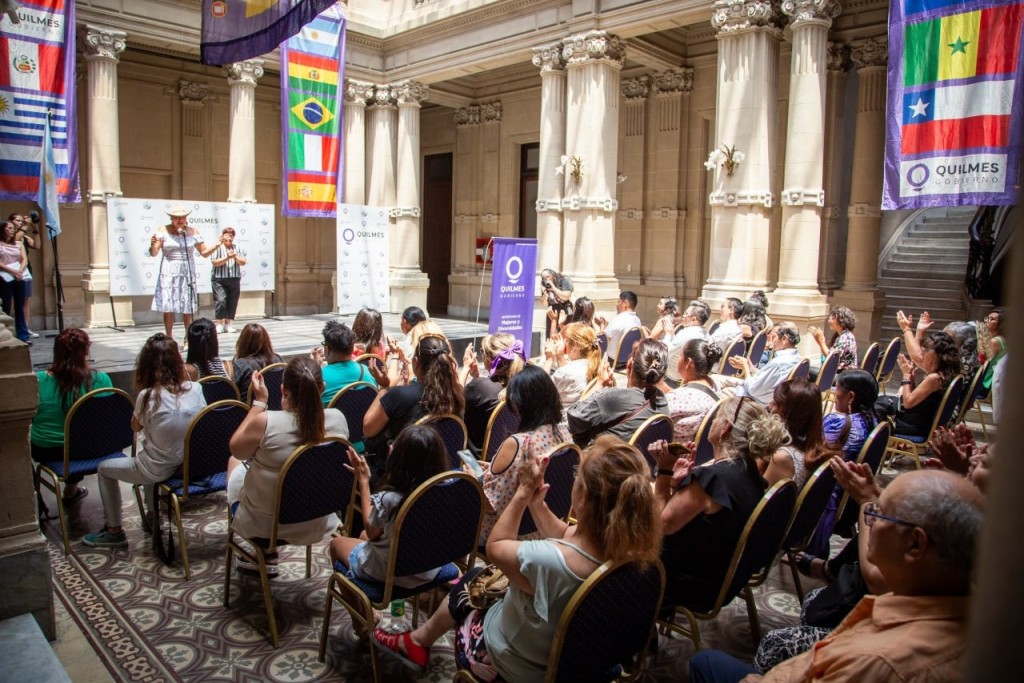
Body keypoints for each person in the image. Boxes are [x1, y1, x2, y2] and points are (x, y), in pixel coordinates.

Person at [372, 435, 662, 679]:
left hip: (518, 666)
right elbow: (568, 538)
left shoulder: (546, 561)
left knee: (471, 584)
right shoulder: (631, 551)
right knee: (479, 579)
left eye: (577, 477)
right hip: (587, 667)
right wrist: (537, 505)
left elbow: (497, 547)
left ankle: (418, 641)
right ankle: (418, 640)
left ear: (583, 497)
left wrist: (522, 493)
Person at [690, 468, 983, 683]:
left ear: (916, 544)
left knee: (705, 662)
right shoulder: (966, 607)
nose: (870, 519)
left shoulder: (876, 662)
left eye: (878, 513)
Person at [651, 396, 786, 612]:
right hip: (717, 577)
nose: (711, 421)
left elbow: (660, 527)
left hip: (681, 582)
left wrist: (664, 471)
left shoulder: (712, 480)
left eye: (716, 418)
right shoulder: (749, 472)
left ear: (724, 429)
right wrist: (678, 485)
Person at [225, 357, 349, 573]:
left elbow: (235, 448)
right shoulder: (338, 419)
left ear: (283, 390)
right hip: (318, 518)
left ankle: (266, 551)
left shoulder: (266, 422)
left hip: (267, 527)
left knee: (235, 462)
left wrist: (259, 403)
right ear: (322, 388)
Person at [83, 334, 207, 547]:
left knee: (105, 469)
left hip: (159, 467)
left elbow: (135, 426)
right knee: (155, 452)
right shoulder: (196, 389)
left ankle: (114, 530)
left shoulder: (148, 395)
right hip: (191, 466)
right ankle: (151, 516)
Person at [329, 424, 449, 585]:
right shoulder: (444, 490)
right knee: (362, 536)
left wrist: (363, 481)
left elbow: (372, 531)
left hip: (393, 572)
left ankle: (361, 610)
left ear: (399, 458)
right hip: (428, 569)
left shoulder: (391, 499)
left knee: (336, 544)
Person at [475, 365, 570, 544]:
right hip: (549, 526)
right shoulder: (565, 435)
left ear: (520, 405)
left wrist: (473, 481)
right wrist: (495, 471)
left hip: (508, 535)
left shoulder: (517, 444)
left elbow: (491, 505)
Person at [31, 328, 114, 503]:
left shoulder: (37, 381)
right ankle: (72, 489)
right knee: (80, 437)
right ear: (86, 351)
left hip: (50, 450)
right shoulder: (101, 380)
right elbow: (107, 422)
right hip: (94, 449)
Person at [364, 334, 463, 462]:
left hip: (403, 474)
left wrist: (385, 387)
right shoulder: (457, 394)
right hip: (442, 468)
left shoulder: (399, 395)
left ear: (415, 362)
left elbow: (368, 429)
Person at [567, 338, 670, 446]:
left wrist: (599, 384)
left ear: (629, 364)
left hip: (606, 460)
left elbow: (573, 420)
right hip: (638, 460)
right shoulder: (661, 399)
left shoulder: (609, 399)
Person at [876, 331, 959, 438]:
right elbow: (918, 399)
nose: (922, 354)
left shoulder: (934, 378)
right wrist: (911, 378)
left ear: (938, 354)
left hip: (911, 425)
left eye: (925, 351)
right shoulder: (944, 374)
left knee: (875, 408)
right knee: (880, 401)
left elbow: (908, 403)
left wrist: (906, 375)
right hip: (918, 420)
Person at [149, 205, 215, 340]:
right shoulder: (162, 230)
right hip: (168, 271)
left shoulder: (193, 231)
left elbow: (204, 253)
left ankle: (188, 338)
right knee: (169, 306)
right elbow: (154, 252)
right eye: (177, 218)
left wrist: (217, 245)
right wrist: (152, 245)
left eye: (183, 217)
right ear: (171, 218)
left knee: (187, 306)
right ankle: (169, 337)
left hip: (187, 272)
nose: (180, 220)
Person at [460, 333, 525, 451]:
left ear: (489, 360)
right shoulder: (522, 386)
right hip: (509, 455)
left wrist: (465, 368)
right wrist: (477, 377)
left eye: (482, 352)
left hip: (479, 461)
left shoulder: (479, 387)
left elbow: (454, 401)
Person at [765, 378, 828, 487]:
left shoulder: (782, 458)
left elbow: (756, 500)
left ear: (789, 414)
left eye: (775, 403)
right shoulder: (816, 447)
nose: (769, 405)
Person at [724, 321, 803, 405]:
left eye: (774, 337)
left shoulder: (778, 363)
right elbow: (771, 378)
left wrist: (746, 368)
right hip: (765, 394)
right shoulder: (797, 358)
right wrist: (752, 368)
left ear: (784, 338)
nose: (772, 342)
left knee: (721, 391)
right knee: (717, 379)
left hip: (756, 400)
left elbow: (752, 389)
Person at [665, 338, 723, 443]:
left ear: (689, 363)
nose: (678, 359)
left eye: (680, 356)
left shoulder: (677, 398)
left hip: (674, 454)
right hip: (697, 451)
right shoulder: (714, 385)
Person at [313, 320, 378, 406]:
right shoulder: (367, 371)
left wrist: (315, 369)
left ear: (327, 349)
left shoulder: (318, 378)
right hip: (363, 419)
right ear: (352, 349)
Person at [542, 322, 603, 408]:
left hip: (562, 418)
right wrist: (560, 356)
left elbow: (539, 390)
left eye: (566, 341)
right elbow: (566, 380)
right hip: (582, 414)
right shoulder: (596, 364)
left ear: (574, 345)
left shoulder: (567, 372)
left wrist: (549, 359)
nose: (564, 344)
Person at [230, 323, 283, 401]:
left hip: (249, 409)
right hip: (276, 406)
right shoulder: (278, 359)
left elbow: (232, 391)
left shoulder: (241, 365)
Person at [208, 226, 246, 334]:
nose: (229, 238)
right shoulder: (217, 247)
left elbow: (243, 262)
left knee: (232, 301)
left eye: (231, 236)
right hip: (219, 279)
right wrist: (227, 258)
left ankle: (228, 324)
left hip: (234, 278)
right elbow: (215, 262)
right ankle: (219, 323)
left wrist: (235, 257)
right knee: (221, 300)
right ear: (222, 236)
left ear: (233, 237)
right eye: (226, 235)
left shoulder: (237, 247)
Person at [666, 301, 713, 384]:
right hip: (694, 376)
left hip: (674, 377)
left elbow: (665, 352)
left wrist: (668, 334)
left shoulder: (686, 334)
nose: (683, 316)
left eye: (686, 313)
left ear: (693, 319)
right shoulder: (707, 335)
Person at [0, 219, 31, 343]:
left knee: (20, 306)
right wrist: (11, 271)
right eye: (9, 228)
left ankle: (23, 335)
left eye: (13, 228)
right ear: (3, 229)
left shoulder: (19, 244)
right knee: (6, 305)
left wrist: (20, 271)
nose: (12, 230)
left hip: (19, 276)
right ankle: (7, 333)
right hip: (4, 277)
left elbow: (24, 259)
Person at [12, 212, 41, 338]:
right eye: (17, 220)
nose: (20, 222)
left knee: (25, 301)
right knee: (12, 301)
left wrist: (35, 229)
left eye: (21, 220)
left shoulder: (24, 236)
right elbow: (15, 239)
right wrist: (25, 225)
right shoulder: (10, 235)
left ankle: (25, 327)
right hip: (11, 270)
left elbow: (37, 245)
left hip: (25, 270)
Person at [596, 290, 642, 365]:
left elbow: (603, 341)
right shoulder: (637, 320)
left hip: (613, 361)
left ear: (625, 303)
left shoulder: (618, 319)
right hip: (628, 360)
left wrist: (602, 327)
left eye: (618, 301)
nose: (616, 305)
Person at [808, 306, 858, 373]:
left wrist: (821, 341)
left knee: (807, 370)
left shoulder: (845, 337)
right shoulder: (842, 335)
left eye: (833, 318)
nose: (829, 320)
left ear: (842, 321)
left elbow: (831, 358)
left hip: (843, 375)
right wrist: (820, 342)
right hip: (839, 372)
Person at [978, 308, 1005, 396]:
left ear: (1001, 324)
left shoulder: (995, 341)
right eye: (987, 318)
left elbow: (981, 363)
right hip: (990, 382)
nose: (987, 321)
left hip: (984, 384)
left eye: (992, 319)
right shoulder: (1002, 339)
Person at [540, 268, 574, 338]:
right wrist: (545, 294)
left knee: (565, 333)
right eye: (544, 278)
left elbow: (566, 296)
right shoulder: (545, 285)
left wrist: (553, 288)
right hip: (552, 311)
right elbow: (544, 304)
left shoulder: (564, 280)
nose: (546, 279)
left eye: (548, 276)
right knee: (551, 335)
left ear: (553, 275)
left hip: (565, 309)